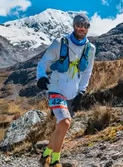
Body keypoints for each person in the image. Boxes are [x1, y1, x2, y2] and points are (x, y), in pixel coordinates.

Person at [36, 13, 96, 167]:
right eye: (78, 24)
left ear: (88, 28)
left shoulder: (90, 49)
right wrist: (41, 77)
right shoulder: (60, 43)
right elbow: (43, 63)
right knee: (65, 123)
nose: (81, 28)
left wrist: (81, 92)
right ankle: (55, 161)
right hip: (55, 88)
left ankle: (45, 155)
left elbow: (87, 71)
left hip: (73, 92)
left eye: (85, 26)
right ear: (74, 25)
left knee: (61, 126)